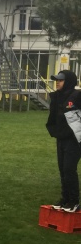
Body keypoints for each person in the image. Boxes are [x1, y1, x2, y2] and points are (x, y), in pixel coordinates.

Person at [46, 70, 81, 212]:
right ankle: (65, 199)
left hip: (75, 139)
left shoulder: (77, 96)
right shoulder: (57, 97)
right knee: (62, 170)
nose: (57, 83)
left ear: (69, 82)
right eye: (56, 80)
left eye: (60, 80)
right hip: (61, 138)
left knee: (69, 169)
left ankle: (74, 202)